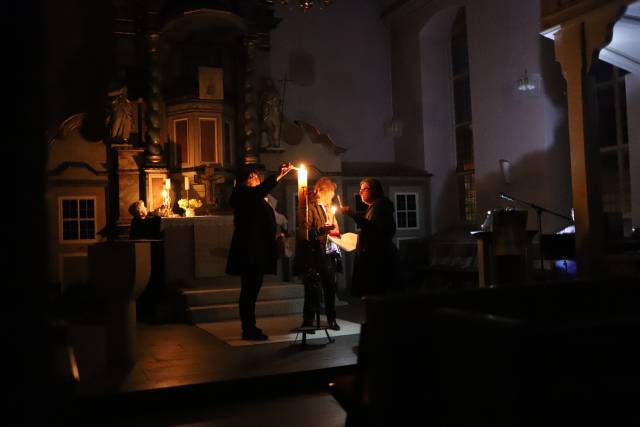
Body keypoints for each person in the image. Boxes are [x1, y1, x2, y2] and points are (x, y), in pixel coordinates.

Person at [226, 162, 295, 340]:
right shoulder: (243, 194)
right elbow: (259, 192)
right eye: (252, 176)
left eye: (256, 175)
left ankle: (250, 326)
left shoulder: (255, 196)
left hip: (257, 248)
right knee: (249, 290)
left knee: (252, 289)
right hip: (250, 250)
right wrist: (279, 174)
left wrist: (274, 235)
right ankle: (248, 328)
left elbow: (263, 218)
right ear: (245, 180)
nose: (256, 178)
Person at [339, 178, 399, 297]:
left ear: (374, 190)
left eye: (364, 189)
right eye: (360, 190)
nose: (360, 192)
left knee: (377, 297)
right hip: (374, 259)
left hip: (378, 262)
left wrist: (352, 214)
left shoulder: (380, 207)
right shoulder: (374, 207)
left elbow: (374, 230)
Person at [297, 177, 343, 331]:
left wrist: (336, 231)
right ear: (321, 191)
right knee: (312, 287)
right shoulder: (311, 207)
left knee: (330, 287)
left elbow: (335, 226)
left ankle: (332, 319)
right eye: (329, 193)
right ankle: (308, 320)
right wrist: (322, 230)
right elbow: (307, 230)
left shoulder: (329, 207)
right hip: (316, 252)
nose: (331, 197)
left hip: (329, 252)